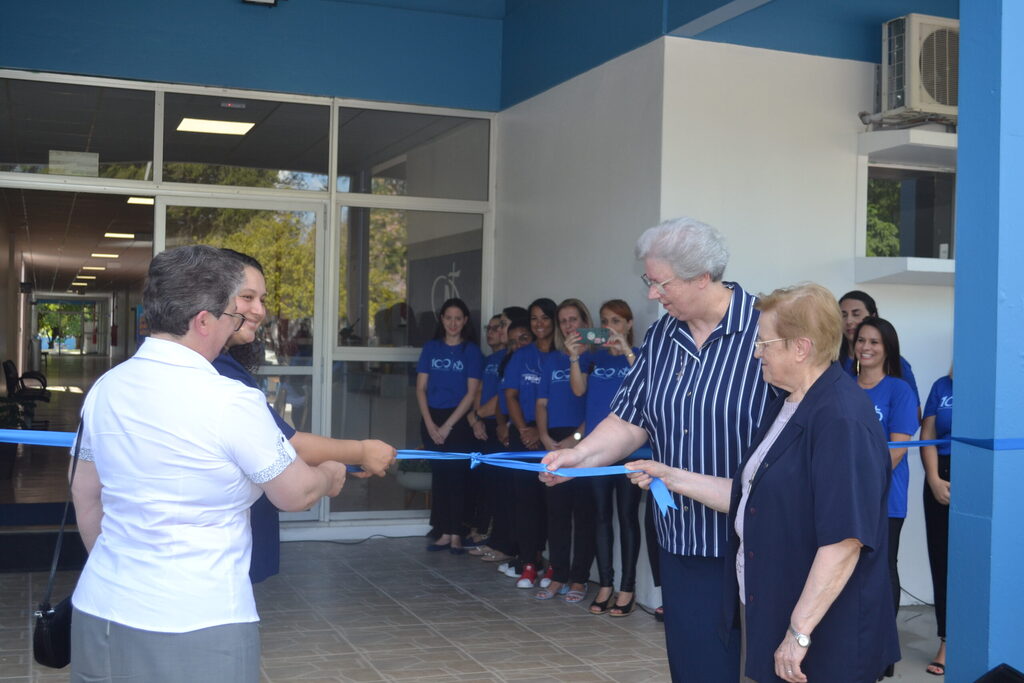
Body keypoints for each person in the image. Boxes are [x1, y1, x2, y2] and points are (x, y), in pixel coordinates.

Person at [69, 245, 348, 683]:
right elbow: (296, 492)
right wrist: (331, 475)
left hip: (100, 608)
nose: (237, 323)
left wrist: (120, 579)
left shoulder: (107, 387)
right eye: (231, 315)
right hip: (198, 619)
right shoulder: (230, 400)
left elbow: (85, 494)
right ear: (203, 321)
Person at [627, 283, 900, 682]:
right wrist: (670, 476)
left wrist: (798, 633)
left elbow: (844, 543)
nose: (756, 353)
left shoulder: (841, 419)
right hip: (781, 610)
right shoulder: (788, 404)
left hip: (828, 636)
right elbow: (748, 498)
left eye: (764, 344)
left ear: (800, 347)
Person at [544, 217, 776, 681]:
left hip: (764, 537)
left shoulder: (767, 327)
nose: (652, 294)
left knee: (777, 663)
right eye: (649, 281)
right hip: (685, 534)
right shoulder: (662, 336)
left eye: (659, 282)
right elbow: (630, 418)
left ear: (702, 278)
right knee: (698, 665)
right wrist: (579, 457)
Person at [214, 249, 396, 583]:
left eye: (262, 299)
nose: (260, 310)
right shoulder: (216, 373)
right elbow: (287, 446)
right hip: (215, 565)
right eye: (247, 297)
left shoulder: (219, 366)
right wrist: (360, 452)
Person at [567, 299, 642, 616]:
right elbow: (579, 391)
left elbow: (645, 383)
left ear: (627, 324)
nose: (609, 326)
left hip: (631, 450)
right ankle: (606, 585)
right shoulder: (593, 358)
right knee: (600, 516)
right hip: (599, 450)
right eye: (604, 320)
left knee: (626, 518)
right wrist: (574, 357)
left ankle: (627, 588)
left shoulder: (638, 356)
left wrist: (625, 348)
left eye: (615, 320)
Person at [853, 315, 919, 663]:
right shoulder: (843, 385)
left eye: (874, 342)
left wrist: (859, 482)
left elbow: (896, 451)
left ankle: (883, 651)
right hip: (845, 496)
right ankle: (854, 643)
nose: (866, 347)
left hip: (884, 498)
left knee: (882, 568)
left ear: (887, 348)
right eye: (862, 340)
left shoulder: (899, 390)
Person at [535, 298, 594, 603]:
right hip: (554, 441)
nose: (569, 326)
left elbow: (594, 404)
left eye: (574, 320)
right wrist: (544, 436)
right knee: (556, 513)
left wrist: (576, 439)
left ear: (585, 322)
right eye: (564, 321)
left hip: (585, 442)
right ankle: (558, 575)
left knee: (582, 515)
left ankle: (580, 579)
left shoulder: (594, 358)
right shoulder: (552, 360)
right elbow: (541, 403)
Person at [415, 297, 483, 554]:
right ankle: (443, 532)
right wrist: (431, 424)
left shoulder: (472, 351)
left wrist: (448, 426)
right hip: (432, 418)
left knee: (457, 478)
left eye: (458, 318)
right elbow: (421, 389)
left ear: (465, 321)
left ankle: (457, 533)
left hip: (459, 421)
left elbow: (471, 393)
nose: (453, 323)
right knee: (440, 477)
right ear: (441, 320)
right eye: (448, 318)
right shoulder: (431, 348)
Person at [503, 298, 557, 587]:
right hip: (521, 436)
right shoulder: (522, 355)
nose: (539, 324)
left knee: (551, 502)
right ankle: (528, 562)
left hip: (550, 437)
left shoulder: (563, 356)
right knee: (525, 501)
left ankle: (552, 564)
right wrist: (524, 429)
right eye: (534, 319)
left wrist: (539, 430)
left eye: (544, 318)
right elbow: (510, 394)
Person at [921, 369, 952, 677]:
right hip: (940, 477)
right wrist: (933, 478)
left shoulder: (991, 381)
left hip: (980, 472)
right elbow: (928, 435)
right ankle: (947, 640)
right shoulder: (941, 386)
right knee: (942, 561)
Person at [838, 291, 919, 401]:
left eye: (856, 314)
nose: (849, 321)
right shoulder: (832, 362)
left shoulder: (898, 364)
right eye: (843, 315)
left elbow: (915, 411)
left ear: (872, 316)